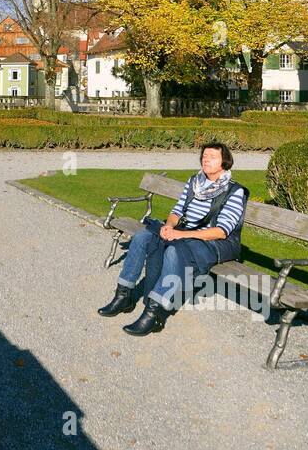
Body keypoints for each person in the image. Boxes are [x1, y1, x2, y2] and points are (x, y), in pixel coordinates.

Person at [95, 142, 249, 337]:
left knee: (174, 251)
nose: (206, 159)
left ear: (225, 163)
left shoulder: (234, 191)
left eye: (212, 157)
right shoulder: (195, 182)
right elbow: (177, 211)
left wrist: (181, 234)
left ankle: (154, 312)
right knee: (143, 237)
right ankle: (123, 296)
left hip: (213, 242)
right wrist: (169, 226)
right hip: (185, 232)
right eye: (204, 155)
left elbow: (222, 231)